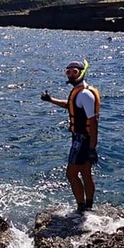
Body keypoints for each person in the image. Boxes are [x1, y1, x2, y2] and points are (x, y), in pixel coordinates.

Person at [41, 59, 100, 213]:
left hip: (82, 139)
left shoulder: (85, 94)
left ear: (82, 73)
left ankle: (81, 208)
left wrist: (92, 148)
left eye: (74, 72)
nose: (71, 76)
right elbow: (71, 105)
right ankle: (88, 206)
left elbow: (93, 122)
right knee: (86, 172)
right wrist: (51, 100)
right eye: (68, 72)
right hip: (81, 138)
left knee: (71, 174)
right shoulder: (79, 93)